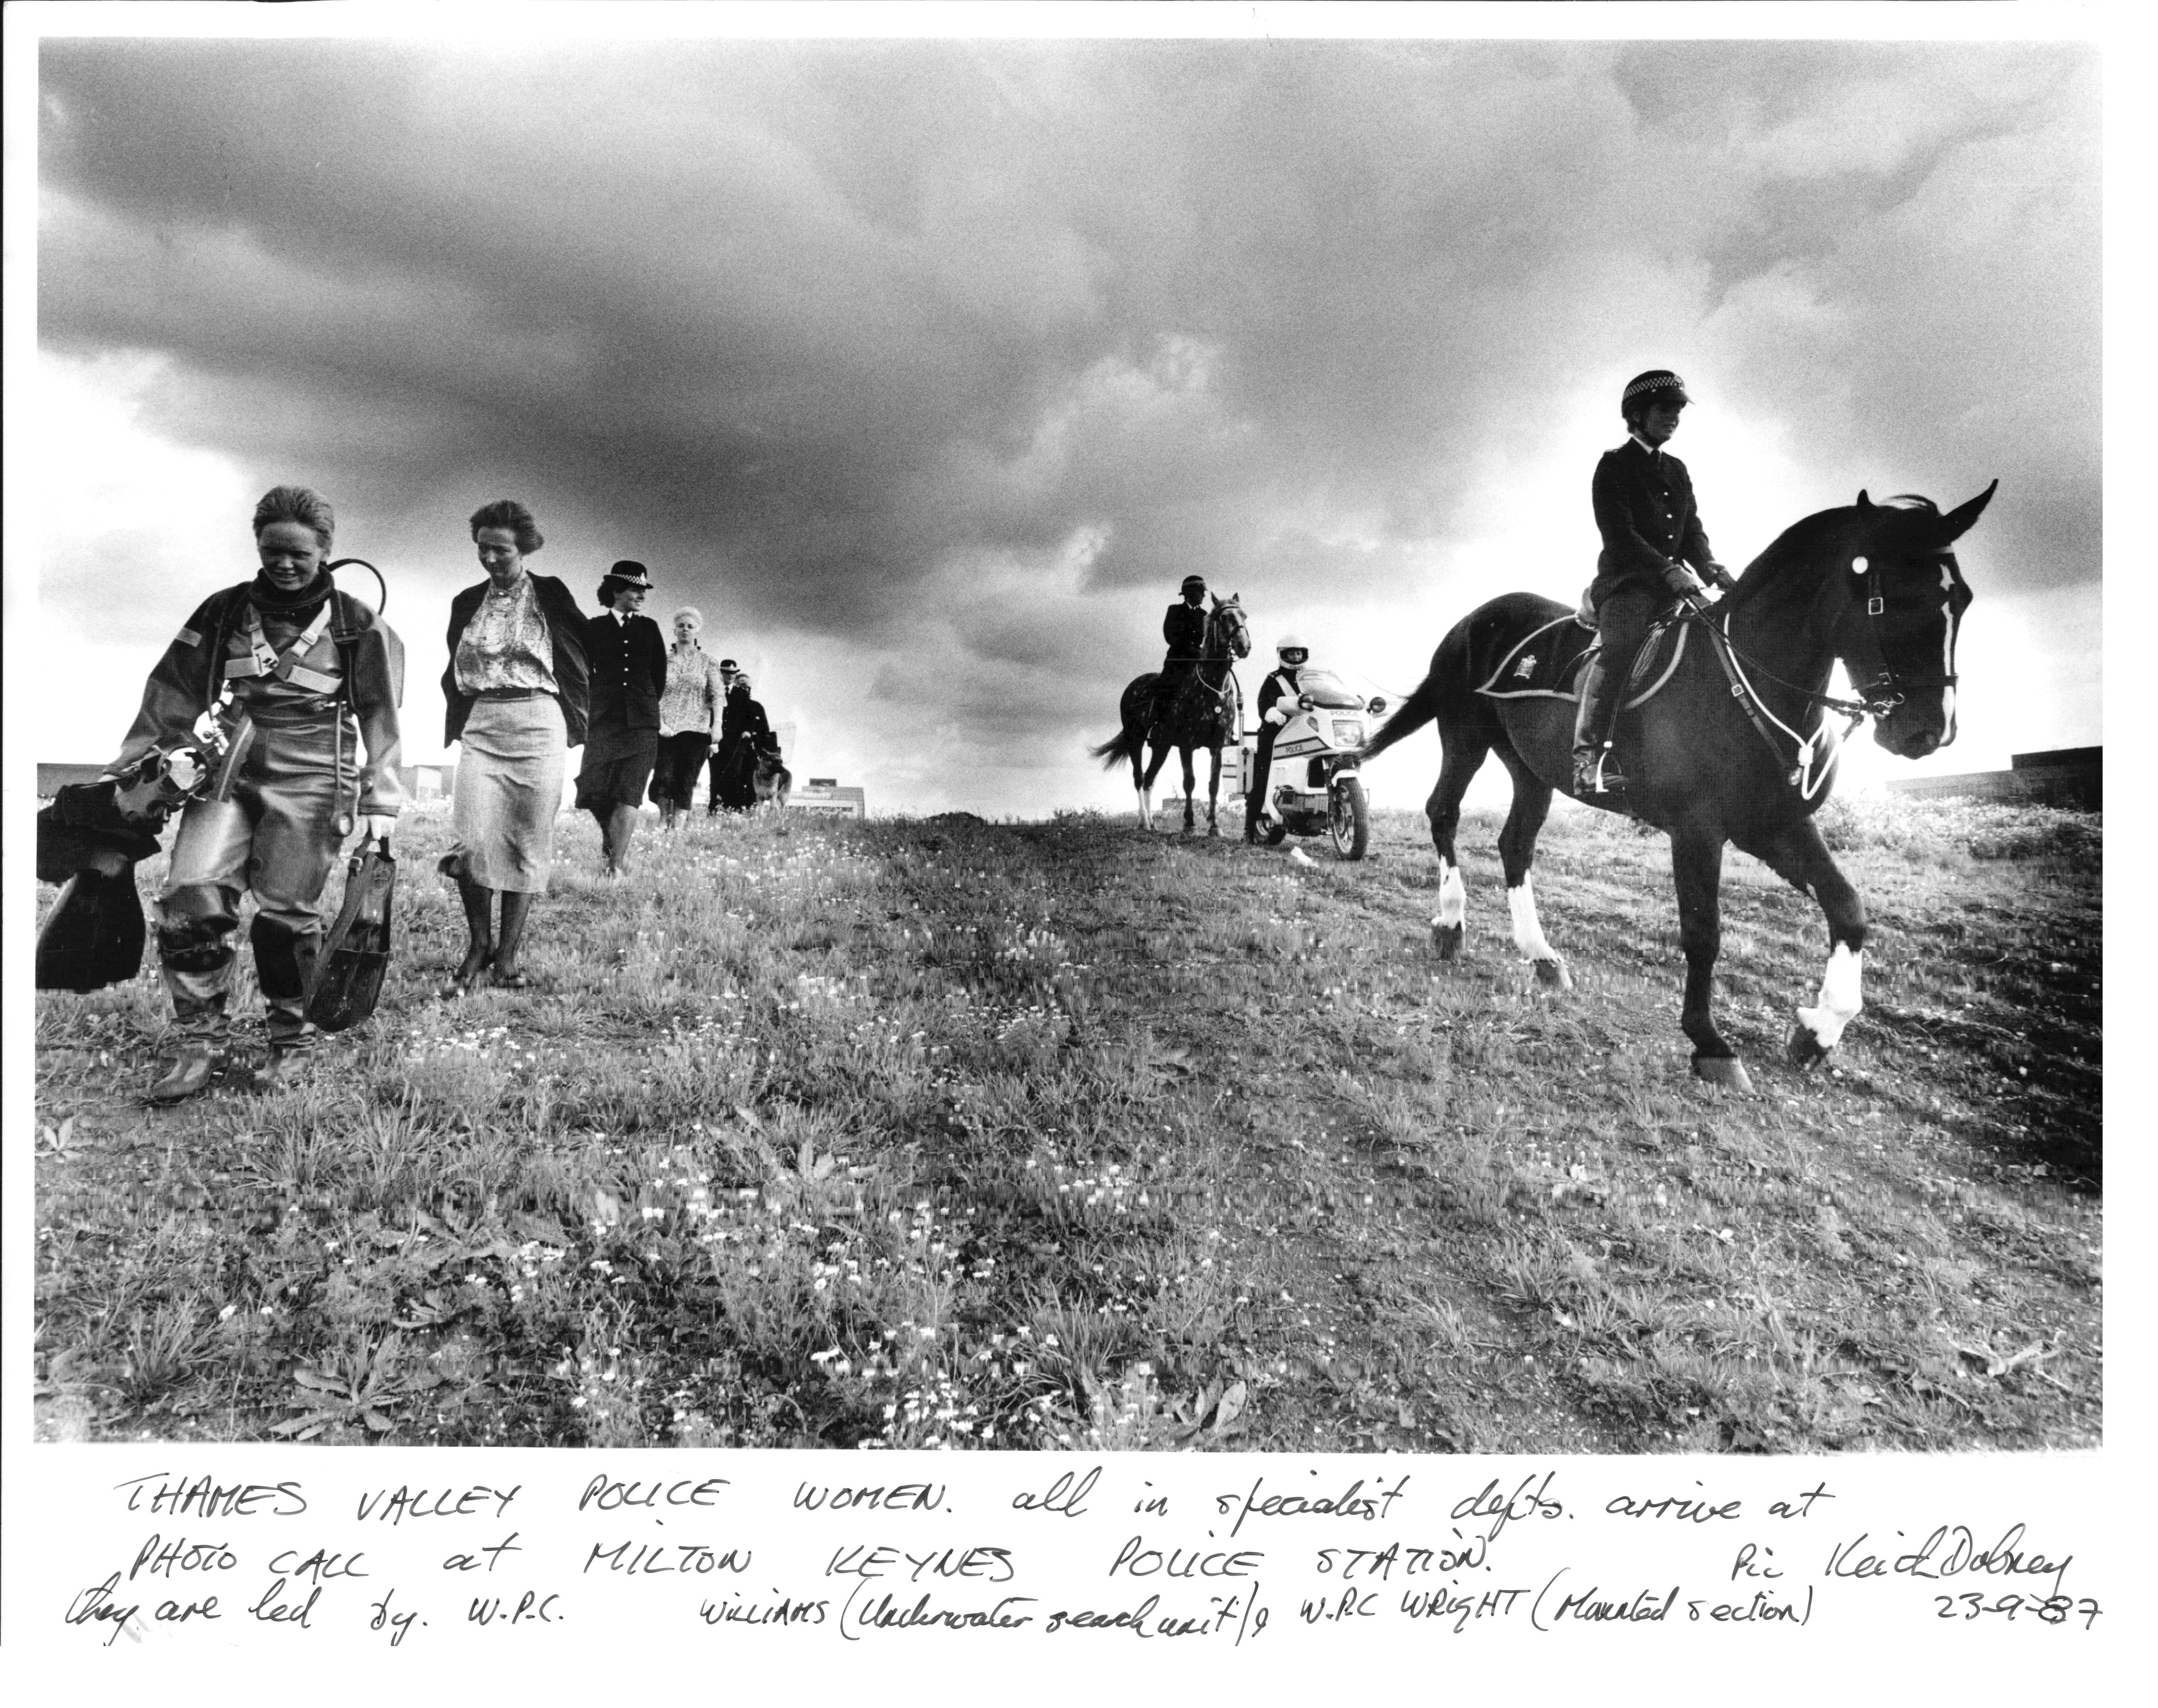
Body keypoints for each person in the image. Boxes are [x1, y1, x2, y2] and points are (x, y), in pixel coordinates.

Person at [109, 485, 406, 1101]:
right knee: (190, 897)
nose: (285, 564)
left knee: (284, 920)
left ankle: (288, 1044)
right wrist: (146, 761)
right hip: (233, 766)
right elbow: (173, 689)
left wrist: (381, 802)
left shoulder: (357, 625)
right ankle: (199, 1046)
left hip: (315, 775)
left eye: (299, 553)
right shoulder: (224, 611)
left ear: (325, 550)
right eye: (273, 551)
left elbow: (381, 718)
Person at [440, 499, 591, 993]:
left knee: (527, 840)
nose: (489, 558)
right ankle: (478, 946)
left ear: (522, 549)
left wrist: (582, 717)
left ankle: (506, 959)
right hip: (483, 721)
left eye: (500, 550)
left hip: (540, 719)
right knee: (472, 839)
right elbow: (455, 663)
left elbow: (583, 653)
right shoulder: (467, 600)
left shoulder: (550, 593)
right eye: (482, 548)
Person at [1575, 369, 1738, 795]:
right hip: (1626, 584)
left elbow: (1691, 532)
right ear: (1637, 415)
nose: (1674, 417)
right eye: (1665, 409)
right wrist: (1667, 570)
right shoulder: (1613, 465)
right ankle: (1588, 759)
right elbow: (1620, 535)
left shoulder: (1678, 470)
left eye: (1678, 410)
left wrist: (1712, 570)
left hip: (1675, 586)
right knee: (1621, 647)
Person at [576, 560, 667, 874]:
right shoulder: (594, 628)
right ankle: (613, 846)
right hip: (603, 723)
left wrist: (647, 707)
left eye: (644, 590)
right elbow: (582, 671)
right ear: (616, 591)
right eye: (634, 589)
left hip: (642, 723)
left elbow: (659, 676)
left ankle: (614, 866)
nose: (641, 595)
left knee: (629, 793)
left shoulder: (650, 628)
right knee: (595, 792)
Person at [651, 607, 727, 830]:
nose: (685, 630)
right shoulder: (663, 661)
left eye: (690, 627)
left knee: (686, 780)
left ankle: (678, 829)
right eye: (681, 626)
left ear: (698, 631)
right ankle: (664, 820)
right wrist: (660, 723)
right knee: (664, 776)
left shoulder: (707, 662)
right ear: (674, 630)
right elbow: (653, 694)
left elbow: (717, 695)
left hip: (696, 730)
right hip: (667, 729)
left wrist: (718, 724)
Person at [1243, 633, 1310, 844]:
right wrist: (1272, 712)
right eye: (1292, 653)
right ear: (1283, 655)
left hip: (1304, 734)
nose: (1297, 656)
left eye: (1299, 652)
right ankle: (1249, 829)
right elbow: (1264, 702)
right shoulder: (1274, 679)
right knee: (1263, 777)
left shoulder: (1310, 679)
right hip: (1275, 735)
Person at [1152, 574, 1210, 727]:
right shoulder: (1175, 611)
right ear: (1191, 593)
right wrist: (1191, 650)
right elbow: (1170, 636)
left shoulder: (1204, 615)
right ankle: (1157, 724)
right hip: (1178, 660)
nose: (1204, 595)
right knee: (1166, 687)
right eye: (1201, 592)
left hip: (1197, 662)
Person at [713, 672, 774, 812]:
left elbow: (765, 732)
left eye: (746, 687)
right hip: (732, 751)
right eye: (740, 686)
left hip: (753, 753)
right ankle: (731, 810)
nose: (744, 689)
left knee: (751, 783)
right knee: (733, 781)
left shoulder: (757, 707)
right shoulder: (727, 705)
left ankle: (749, 812)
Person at [704, 656, 741, 814]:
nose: (730, 676)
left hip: (735, 745)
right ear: (721, 673)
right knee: (715, 776)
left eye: (733, 673)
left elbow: (746, 718)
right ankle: (713, 809)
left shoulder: (741, 694)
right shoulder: (712, 692)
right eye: (727, 673)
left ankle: (731, 809)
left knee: (733, 776)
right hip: (715, 742)